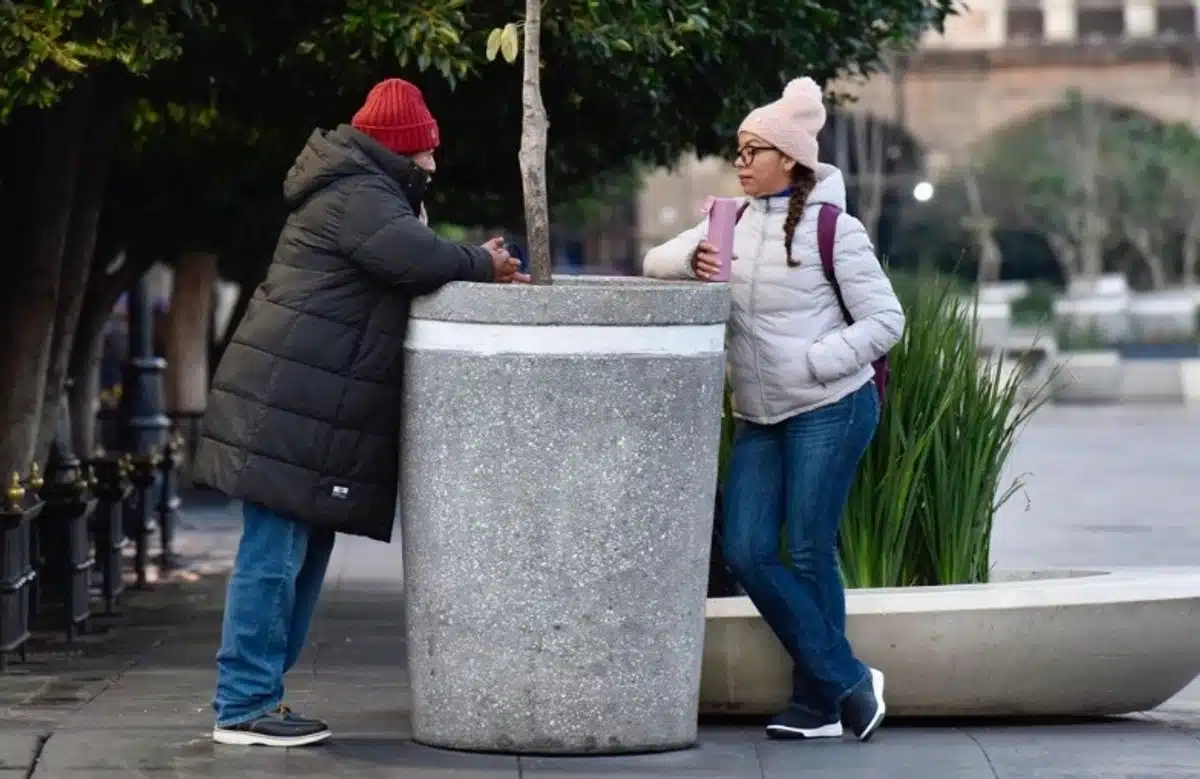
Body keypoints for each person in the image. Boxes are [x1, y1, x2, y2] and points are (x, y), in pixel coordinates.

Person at [192, 78, 528, 748]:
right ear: (401, 148)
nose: (433, 164)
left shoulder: (363, 188)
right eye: (426, 152)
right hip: (289, 405)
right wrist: (481, 261)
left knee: (300, 550)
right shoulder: (357, 193)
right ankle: (243, 702)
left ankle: (258, 696)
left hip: (302, 407)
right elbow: (418, 259)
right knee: (274, 553)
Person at [642, 77, 904, 743]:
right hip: (761, 413)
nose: (741, 160)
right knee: (749, 548)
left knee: (812, 548)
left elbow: (887, 320)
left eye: (754, 149)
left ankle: (817, 703)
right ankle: (848, 679)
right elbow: (653, 259)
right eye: (738, 148)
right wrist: (693, 257)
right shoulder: (727, 220)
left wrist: (818, 359)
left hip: (831, 405)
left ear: (789, 158)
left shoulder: (832, 227)